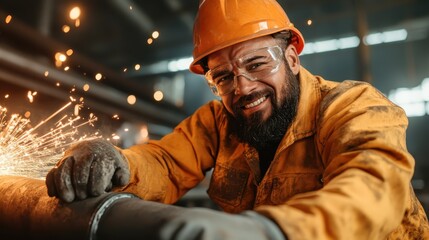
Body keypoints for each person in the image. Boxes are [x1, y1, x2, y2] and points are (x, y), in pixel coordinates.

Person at [46, 0, 429, 239]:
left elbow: (374, 187)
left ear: (292, 58)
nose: (242, 88)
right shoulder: (219, 121)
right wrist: (117, 161)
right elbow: (164, 162)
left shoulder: (353, 107)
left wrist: (273, 231)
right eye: (224, 77)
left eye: (257, 63)